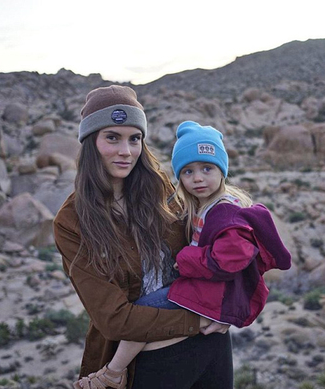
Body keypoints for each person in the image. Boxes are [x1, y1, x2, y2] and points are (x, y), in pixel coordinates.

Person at [79, 119, 292, 388]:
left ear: (222, 170)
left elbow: (229, 260)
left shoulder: (225, 211)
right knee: (142, 313)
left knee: (143, 311)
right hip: (202, 299)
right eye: (188, 171)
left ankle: (113, 371)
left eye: (207, 168)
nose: (198, 178)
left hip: (207, 295)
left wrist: (186, 261)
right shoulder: (197, 206)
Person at [53, 86, 231, 389]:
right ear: (90, 142)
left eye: (134, 139)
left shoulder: (159, 189)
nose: (126, 151)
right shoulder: (72, 221)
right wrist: (197, 321)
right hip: (148, 362)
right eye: (112, 137)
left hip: (210, 344)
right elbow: (114, 319)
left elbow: (205, 249)